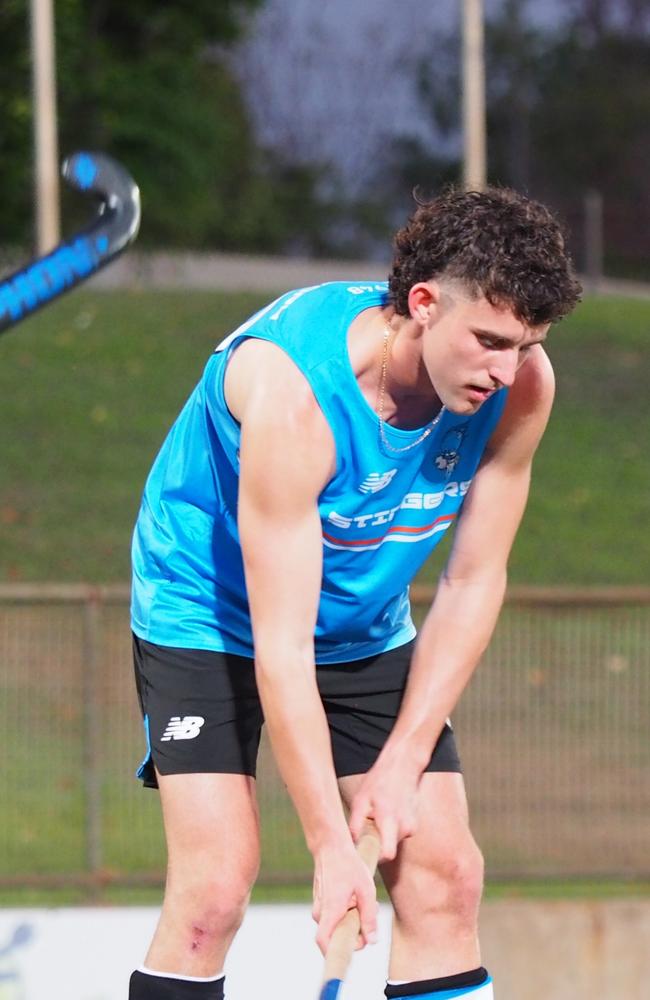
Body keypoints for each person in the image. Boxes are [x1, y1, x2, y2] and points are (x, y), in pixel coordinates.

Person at [128, 186, 581, 1000]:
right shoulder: (294, 393)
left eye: (526, 345)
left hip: (366, 623)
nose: (506, 370)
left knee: (443, 874)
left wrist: (403, 760)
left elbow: (475, 578)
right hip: (211, 614)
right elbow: (283, 647)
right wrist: (332, 845)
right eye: (489, 341)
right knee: (215, 890)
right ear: (422, 303)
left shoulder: (521, 388)